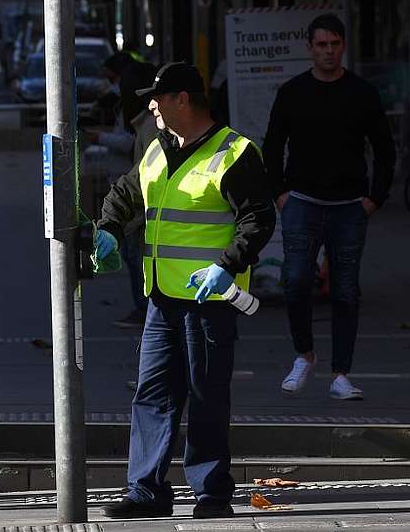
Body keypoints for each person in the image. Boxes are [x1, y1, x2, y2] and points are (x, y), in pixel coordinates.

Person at [94, 62, 275, 520]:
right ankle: (146, 491)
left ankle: (212, 494)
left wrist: (226, 266)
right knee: (152, 394)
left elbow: (258, 219)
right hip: (162, 299)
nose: (151, 104)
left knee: (205, 395)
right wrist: (109, 229)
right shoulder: (159, 148)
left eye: (159, 96)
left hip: (208, 302)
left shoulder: (234, 153)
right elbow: (126, 193)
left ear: (184, 100)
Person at [263, 13, 396, 401]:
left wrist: (376, 197)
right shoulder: (292, 92)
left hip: (350, 205)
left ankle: (341, 373)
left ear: (343, 46)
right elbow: (273, 145)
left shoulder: (362, 93)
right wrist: (280, 193)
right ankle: (304, 355)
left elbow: (385, 149)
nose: (328, 51)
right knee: (296, 280)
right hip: (301, 201)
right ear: (310, 48)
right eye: (321, 45)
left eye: (334, 44)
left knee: (345, 290)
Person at [86, 61, 159, 328]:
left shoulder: (149, 126)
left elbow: (144, 173)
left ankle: (146, 310)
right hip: (132, 203)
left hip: (139, 207)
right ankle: (145, 309)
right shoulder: (141, 123)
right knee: (132, 257)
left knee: (136, 258)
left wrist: (124, 213)